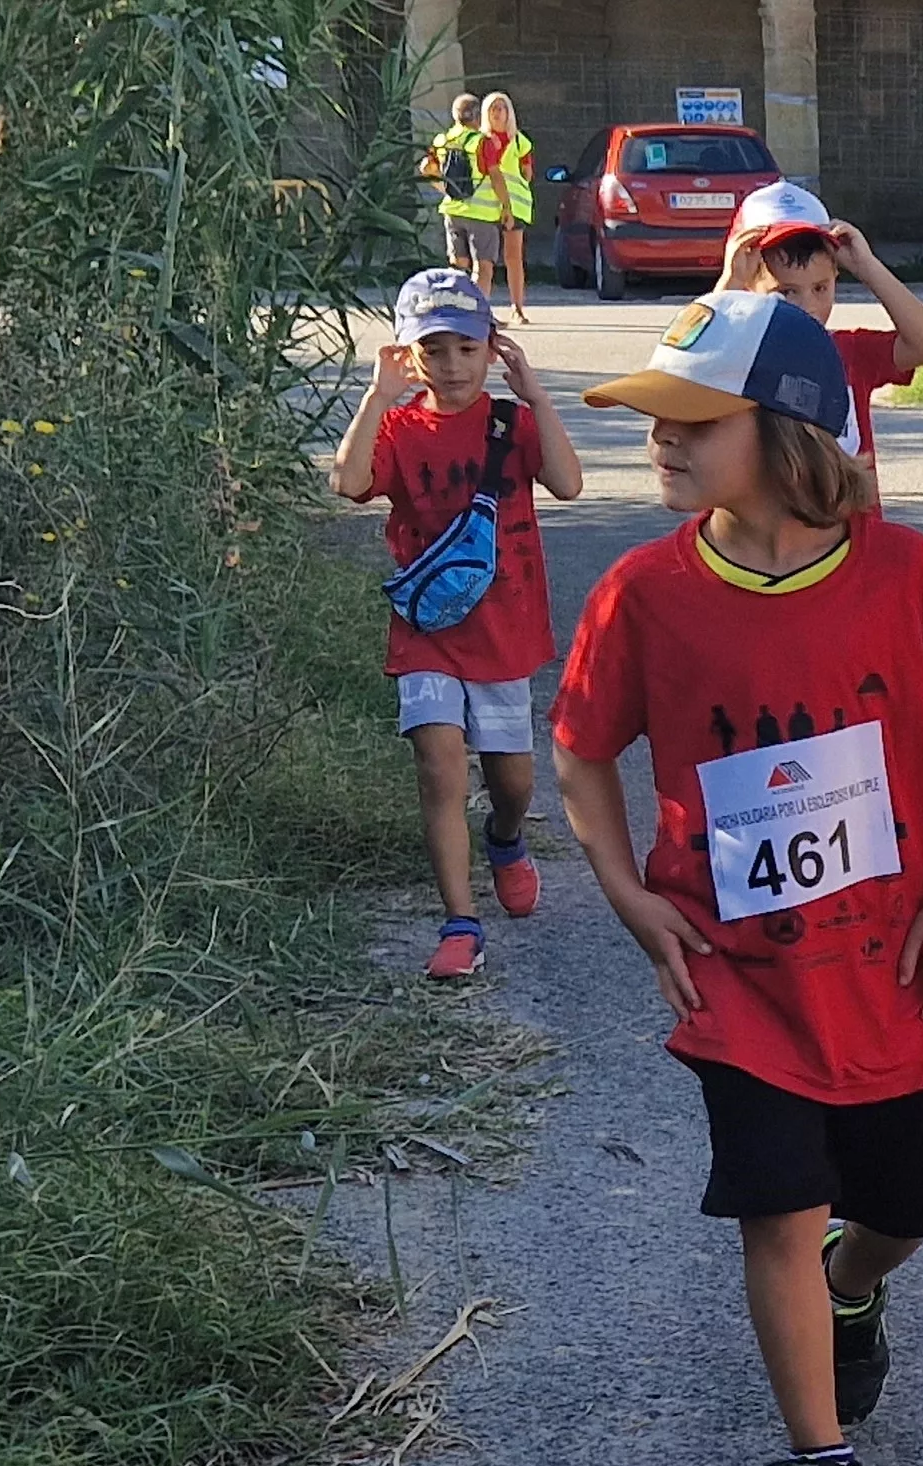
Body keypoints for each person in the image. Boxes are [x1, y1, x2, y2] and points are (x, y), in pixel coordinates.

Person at [553, 292, 923, 1466]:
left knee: (904, 1211)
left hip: (895, 971)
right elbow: (582, 751)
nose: (656, 440)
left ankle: (857, 1286)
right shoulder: (645, 595)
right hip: (741, 980)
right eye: (652, 419)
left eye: (688, 421)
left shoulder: (906, 579)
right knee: (775, 1204)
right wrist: (625, 891)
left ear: (790, 432)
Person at [326, 268, 585, 979]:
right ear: (410, 356)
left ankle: (504, 839)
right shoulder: (403, 427)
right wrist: (377, 398)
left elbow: (566, 483)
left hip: (503, 630)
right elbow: (348, 484)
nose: (452, 365)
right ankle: (460, 922)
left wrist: (534, 394)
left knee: (513, 784)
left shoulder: (511, 423)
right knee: (439, 765)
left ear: (490, 349)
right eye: (434, 351)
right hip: (428, 633)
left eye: (466, 349)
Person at [720, 180, 923, 508]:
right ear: (748, 288)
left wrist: (868, 267)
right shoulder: (735, 357)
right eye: (786, 292)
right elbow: (688, 363)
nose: (808, 306)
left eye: (820, 288)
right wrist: (729, 282)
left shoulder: (850, 352)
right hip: (769, 549)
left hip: (855, 545)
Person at [473, 92, 537, 326]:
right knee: (483, 263)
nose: (498, 112)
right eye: (493, 108)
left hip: (515, 207)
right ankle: (481, 311)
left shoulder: (520, 141)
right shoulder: (479, 140)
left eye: (502, 108)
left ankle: (517, 308)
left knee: (514, 258)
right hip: (486, 208)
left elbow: (528, 173)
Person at [426, 94, 498, 279]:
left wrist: (444, 189)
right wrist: (505, 206)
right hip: (481, 213)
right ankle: (477, 306)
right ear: (477, 116)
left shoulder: (442, 140)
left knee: (458, 264)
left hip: (452, 210)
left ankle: (459, 304)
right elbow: (496, 176)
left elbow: (426, 168)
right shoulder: (482, 142)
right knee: (483, 265)